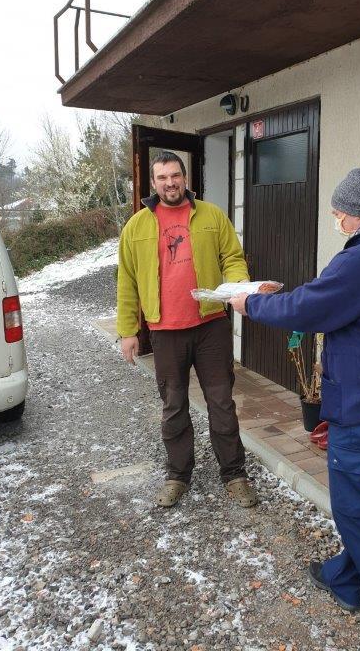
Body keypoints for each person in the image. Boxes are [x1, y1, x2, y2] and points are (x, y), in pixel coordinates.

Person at [230, 168, 360, 651]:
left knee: (356, 510)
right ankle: (345, 575)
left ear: (356, 212)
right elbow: (340, 303)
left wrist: (249, 304)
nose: (335, 218)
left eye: (338, 211)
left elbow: (307, 309)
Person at [117, 150, 257, 509]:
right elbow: (127, 281)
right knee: (174, 405)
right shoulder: (136, 226)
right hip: (165, 332)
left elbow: (232, 257)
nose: (170, 183)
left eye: (175, 175)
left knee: (221, 403)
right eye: (162, 178)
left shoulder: (211, 215)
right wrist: (128, 330)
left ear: (185, 177)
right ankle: (178, 475)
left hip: (211, 326)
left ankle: (234, 474)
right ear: (153, 183)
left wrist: (239, 285)